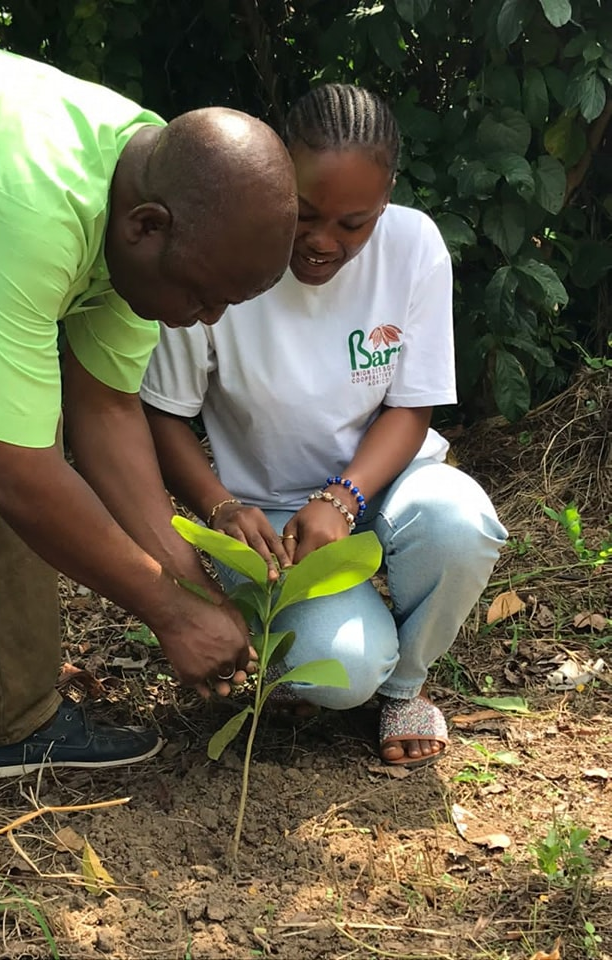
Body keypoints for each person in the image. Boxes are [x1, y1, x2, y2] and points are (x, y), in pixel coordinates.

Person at [0, 30, 298, 779]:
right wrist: (169, 616)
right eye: (202, 295)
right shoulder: (27, 202)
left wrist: (194, 589)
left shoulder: (149, 188)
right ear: (146, 228)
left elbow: (106, 412)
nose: (205, 320)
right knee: (12, 456)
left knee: (11, 429)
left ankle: (16, 726)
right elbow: (13, 469)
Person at [141, 83, 508, 768]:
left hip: (385, 485)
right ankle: (345, 653)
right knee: (337, 672)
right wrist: (222, 507)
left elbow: (409, 406)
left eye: (352, 223)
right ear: (275, 178)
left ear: (387, 199)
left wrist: (343, 498)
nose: (320, 241)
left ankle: (405, 687)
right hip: (272, 517)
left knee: (458, 523)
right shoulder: (220, 248)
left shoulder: (411, 243)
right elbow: (163, 415)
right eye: (303, 215)